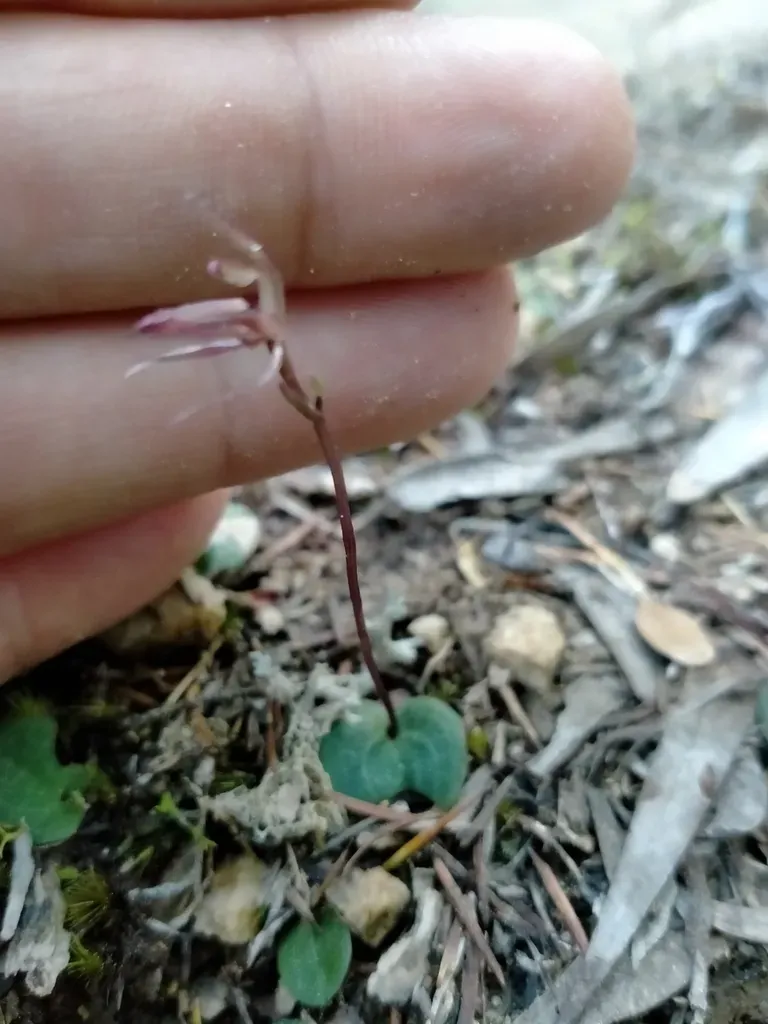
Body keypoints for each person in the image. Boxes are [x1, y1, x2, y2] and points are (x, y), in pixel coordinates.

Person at [0, 0, 634, 684]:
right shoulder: (250, 317)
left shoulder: (259, 313)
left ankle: (380, 678)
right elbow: (230, 296)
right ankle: (373, 675)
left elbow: (240, 286)